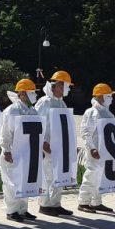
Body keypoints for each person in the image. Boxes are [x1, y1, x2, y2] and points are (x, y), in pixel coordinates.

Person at [0, 79, 40, 223]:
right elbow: (5, 132)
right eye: (32, 92)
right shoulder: (12, 110)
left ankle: (23, 209)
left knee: (25, 181)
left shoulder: (32, 110)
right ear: (22, 94)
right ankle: (11, 210)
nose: (34, 95)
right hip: (13, 152)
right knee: (11, 183)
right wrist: (6, 150)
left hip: (27, 153)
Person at [37, 70, 74, 217]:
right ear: (58, 85)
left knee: (58, 175)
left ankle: (55, 204)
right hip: (48, 147)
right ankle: (45, 205)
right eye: (67, 85)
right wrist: (43, 142)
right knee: (48, 176)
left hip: (59, 147)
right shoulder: (45, 102)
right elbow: (38, 123)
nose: (69, 89)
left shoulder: (61, 102)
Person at [77, 84, 115, 214]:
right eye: (108, 95)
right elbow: (86, 132)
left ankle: (96, 202)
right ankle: (83, 202)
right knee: (91, 175)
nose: (111, 98)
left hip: (105, 150)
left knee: (100, 176)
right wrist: (92, 148)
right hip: (95, 151)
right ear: (100, 96)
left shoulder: (106, 111)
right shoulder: (92, 112)